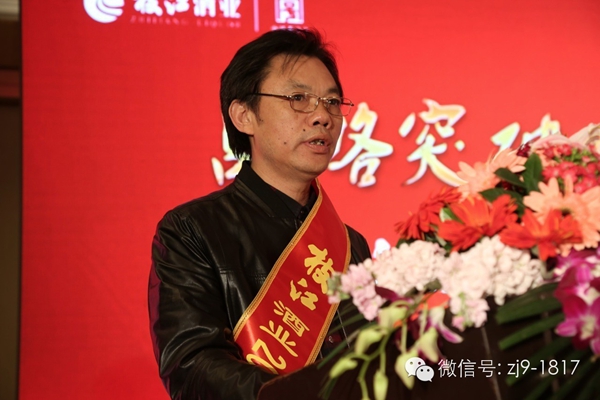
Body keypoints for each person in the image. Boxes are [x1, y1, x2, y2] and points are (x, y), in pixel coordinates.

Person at [148, 28, 371, 400]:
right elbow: (191, 366)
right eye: (298, 98)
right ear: (243, 116)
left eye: (332, 102)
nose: (323, 116)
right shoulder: (192, 230)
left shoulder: (352, 245)